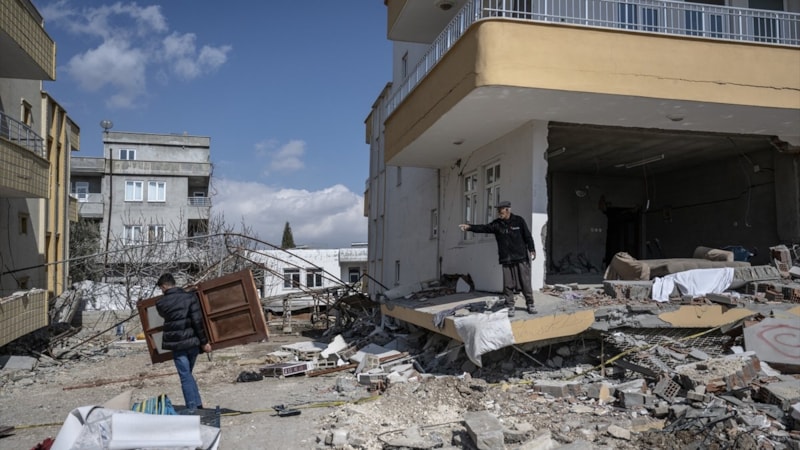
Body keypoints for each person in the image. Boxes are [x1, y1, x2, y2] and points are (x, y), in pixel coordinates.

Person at [459, 201, 537, 317]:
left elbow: (527, 236)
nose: (499, 213)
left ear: (507, 210)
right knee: (508, 284)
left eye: (501, 210)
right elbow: (484, 228)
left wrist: (532, 249)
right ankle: (510, 305)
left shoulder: (518, 221)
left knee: (525, 282)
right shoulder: (497, 224)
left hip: (520, 257)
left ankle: (530, 303)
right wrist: (470, 227)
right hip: (506, 258)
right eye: (498, 210)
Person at [155, 273, 211, 414]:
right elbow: (197, 321)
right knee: (188, 374)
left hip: (177, 345)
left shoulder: (160, 304)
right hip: (192, 342)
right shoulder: (190, 297)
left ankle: (192, 408)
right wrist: (204, 342)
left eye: (161, 288)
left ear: (164, 286)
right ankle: (197, 404)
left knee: (185, 375)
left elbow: (165, 314)